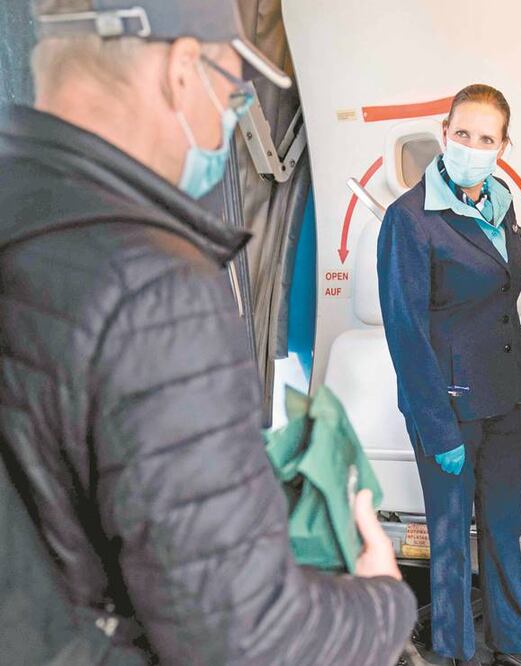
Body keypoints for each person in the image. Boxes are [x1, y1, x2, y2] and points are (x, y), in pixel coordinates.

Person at [0, 1, 416, 664]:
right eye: (234, 89)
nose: (231, 115)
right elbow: (246, 638)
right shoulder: (156, 286)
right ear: (183, 68)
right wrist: (382, 603)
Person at [377, 85, 521, 666]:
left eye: (487, 139)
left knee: (504, 531)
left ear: (503, 146)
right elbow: (404, 332)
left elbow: (518, 258)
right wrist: (437, 429)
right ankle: (455, 651)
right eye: (463, 134)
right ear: (444, 130)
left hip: (507, 397)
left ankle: (513, 642)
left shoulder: (499, 204)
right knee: (452, 539)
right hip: (449, 407)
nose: (472, 147)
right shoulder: (410, 220)